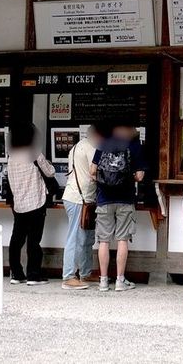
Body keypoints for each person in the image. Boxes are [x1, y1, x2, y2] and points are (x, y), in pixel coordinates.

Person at [90, 122, 146, 292]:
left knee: (104, 241)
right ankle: (120, 281)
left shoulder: (103, 145)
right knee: (122, 239)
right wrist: (127, 177)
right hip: (125, 199)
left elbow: (92, 170)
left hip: (104, 198)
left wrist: (103, 179)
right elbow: (140, 176)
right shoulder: (134, 146)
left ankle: (103, 281)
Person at [2, 123, 56, 286]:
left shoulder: (11, 157)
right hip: (36, 203)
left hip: (19, 204)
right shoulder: (33, 153)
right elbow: (50, 171)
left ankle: (16, 273)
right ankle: (33, 275)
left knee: (16, 239)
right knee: (34, 240)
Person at [60, 123, 103, 290]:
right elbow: (95, 171)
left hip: (79, 197)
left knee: (86, 238)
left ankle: (85, 272)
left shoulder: (76, 146)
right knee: (75, 237)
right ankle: (68, 276)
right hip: (79, 198)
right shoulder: (91, 147)